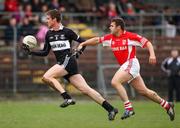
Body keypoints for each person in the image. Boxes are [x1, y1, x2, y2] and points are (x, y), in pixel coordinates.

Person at [22, 9, 118, 121]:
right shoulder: (48, 34)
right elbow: (45, 52)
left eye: (48, 19)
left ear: (54, 19)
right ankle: (111, 109)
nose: (46, 21)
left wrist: (79, 52)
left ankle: (67, 98)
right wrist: (31, 52)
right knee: (86, 90)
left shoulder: (67, 32)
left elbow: (83, 42)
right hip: (62, 64)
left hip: (68, 60)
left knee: (47, 77)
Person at [77, 17, 175, 121]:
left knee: (115, 82)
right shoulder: (110, 38)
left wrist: (152, 55)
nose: (109, 27)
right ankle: (167, 105)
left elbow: (147, 43)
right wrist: (83, 43)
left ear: (118, 27)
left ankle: (129, 108)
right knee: (144, 91)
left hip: (131, 63)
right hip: (127, 66)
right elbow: (97, 40)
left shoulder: (130, 36)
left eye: (112, 26)